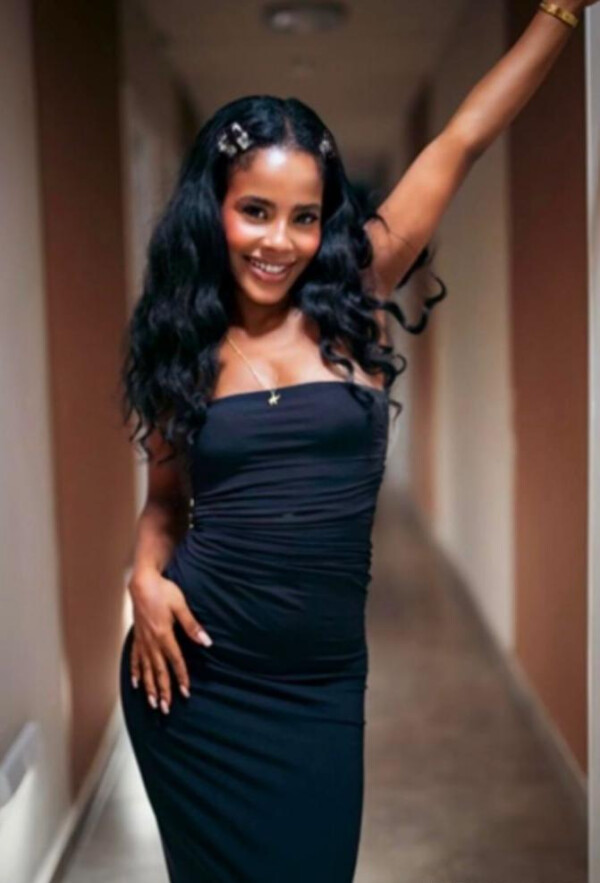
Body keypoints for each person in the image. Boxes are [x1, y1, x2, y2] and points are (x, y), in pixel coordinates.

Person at [118, 3, 594, 880]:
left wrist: (559, 14)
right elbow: (165, 503)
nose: (280, 241)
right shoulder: (180, 342)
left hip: (318, 687)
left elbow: (461, 140)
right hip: (193, 682)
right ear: (212, 210)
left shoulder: (355, 292)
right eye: (255, 210)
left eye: (304, 216)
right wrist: (143, 579)